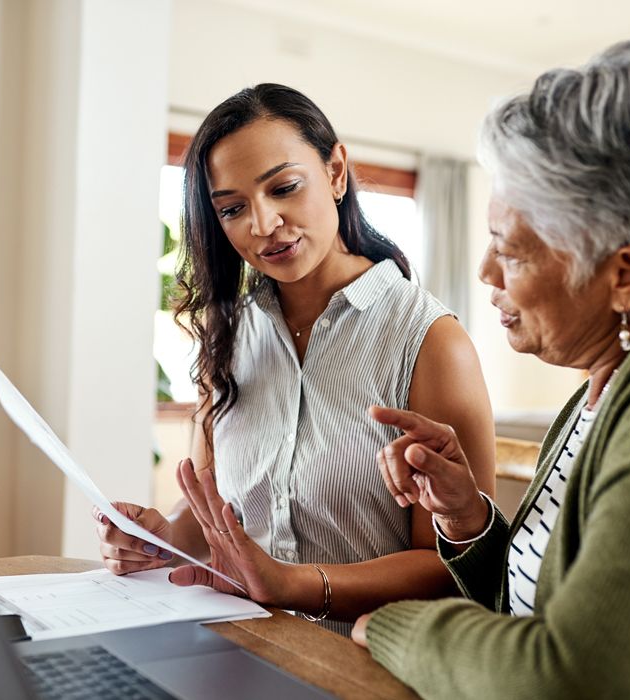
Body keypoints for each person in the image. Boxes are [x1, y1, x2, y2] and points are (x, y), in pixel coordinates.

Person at [94, 83, 495, 636]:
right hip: (234, 650)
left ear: (335, 172)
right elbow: (215, 512)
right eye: (232, 208)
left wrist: (292, 582)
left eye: (283, 187)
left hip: (361, 665)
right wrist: (158, 538)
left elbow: (456, 566)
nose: (262, 225)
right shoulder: (227, 333)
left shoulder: (430, 341)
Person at [351, 40, 630, 698]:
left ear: (625, 274)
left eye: (509, 250)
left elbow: (570, 674)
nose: (484, 274)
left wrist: (403, 628)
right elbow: (530, 606)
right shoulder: (592, 395)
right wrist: (467, 520)